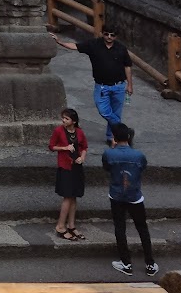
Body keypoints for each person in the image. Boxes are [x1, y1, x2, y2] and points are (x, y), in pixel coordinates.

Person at [51, 24, 133, 145]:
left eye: (112, 35)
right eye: (106, 34)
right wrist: (60, 42)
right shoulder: (94, 45)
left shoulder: (121, 48)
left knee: (116, 113)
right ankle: (124, 131)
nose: (109, 37)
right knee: (104, 111)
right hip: (101, 86)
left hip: (119, 86)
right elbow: (75, 46)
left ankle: (112, 138)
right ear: (102, 33)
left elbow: (127, 66)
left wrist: (130, 84)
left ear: (116, 37)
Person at [104, 122, 157, 276]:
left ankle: (126, 263)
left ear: (114, 138)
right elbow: (142, 167)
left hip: (116, 195)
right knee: (142, 229)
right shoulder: (138, 155)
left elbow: (107, 168)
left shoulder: (109, 154)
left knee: (120, 228)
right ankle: (150, 264)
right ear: (128, 136)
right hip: (134, 196)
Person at [49, 108, 87, 241]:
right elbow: (51, 146)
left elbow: (83, 147)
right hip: (65, 166)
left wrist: (82, 157)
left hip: (77, 166)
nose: (63, 120)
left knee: (74, 196)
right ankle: (60, 226)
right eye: (63, 118)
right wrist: (64, 148)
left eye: (67, 118)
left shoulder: (79, 132)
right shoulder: (59, 131)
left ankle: (71, 225)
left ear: (73, 121)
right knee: (67, 196)